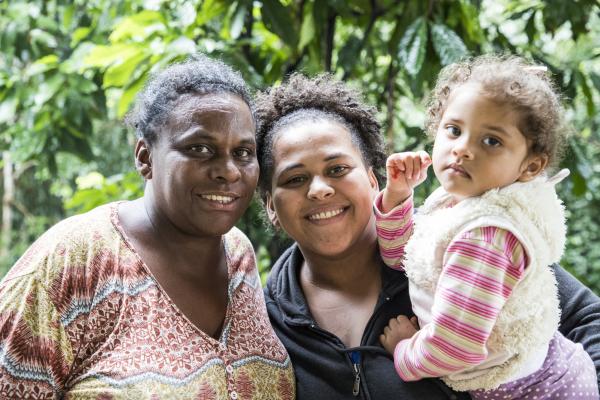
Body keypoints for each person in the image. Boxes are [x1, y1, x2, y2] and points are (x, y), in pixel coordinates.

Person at [255, 72, 600, 399]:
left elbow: (588, 318)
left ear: (373, 180)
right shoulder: (268, 320)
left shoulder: (465, 243)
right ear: (271, 204)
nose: (319, 190)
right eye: (294, 179)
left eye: (338, 169)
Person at [0, 55, 294, 399]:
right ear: (145, 158)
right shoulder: (73, 261)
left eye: (243, 152)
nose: (228, 170)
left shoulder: (239, 256)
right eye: (200, 148)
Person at [375, 55, 599, 399]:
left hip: (537, 389)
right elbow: (403, 258)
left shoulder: (487, 236)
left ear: (529, 166)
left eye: (491, 141)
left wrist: (406, 349)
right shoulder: (459, 203)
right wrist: (398, 197)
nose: (463, 148)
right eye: (454, 130)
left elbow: (456, 347)